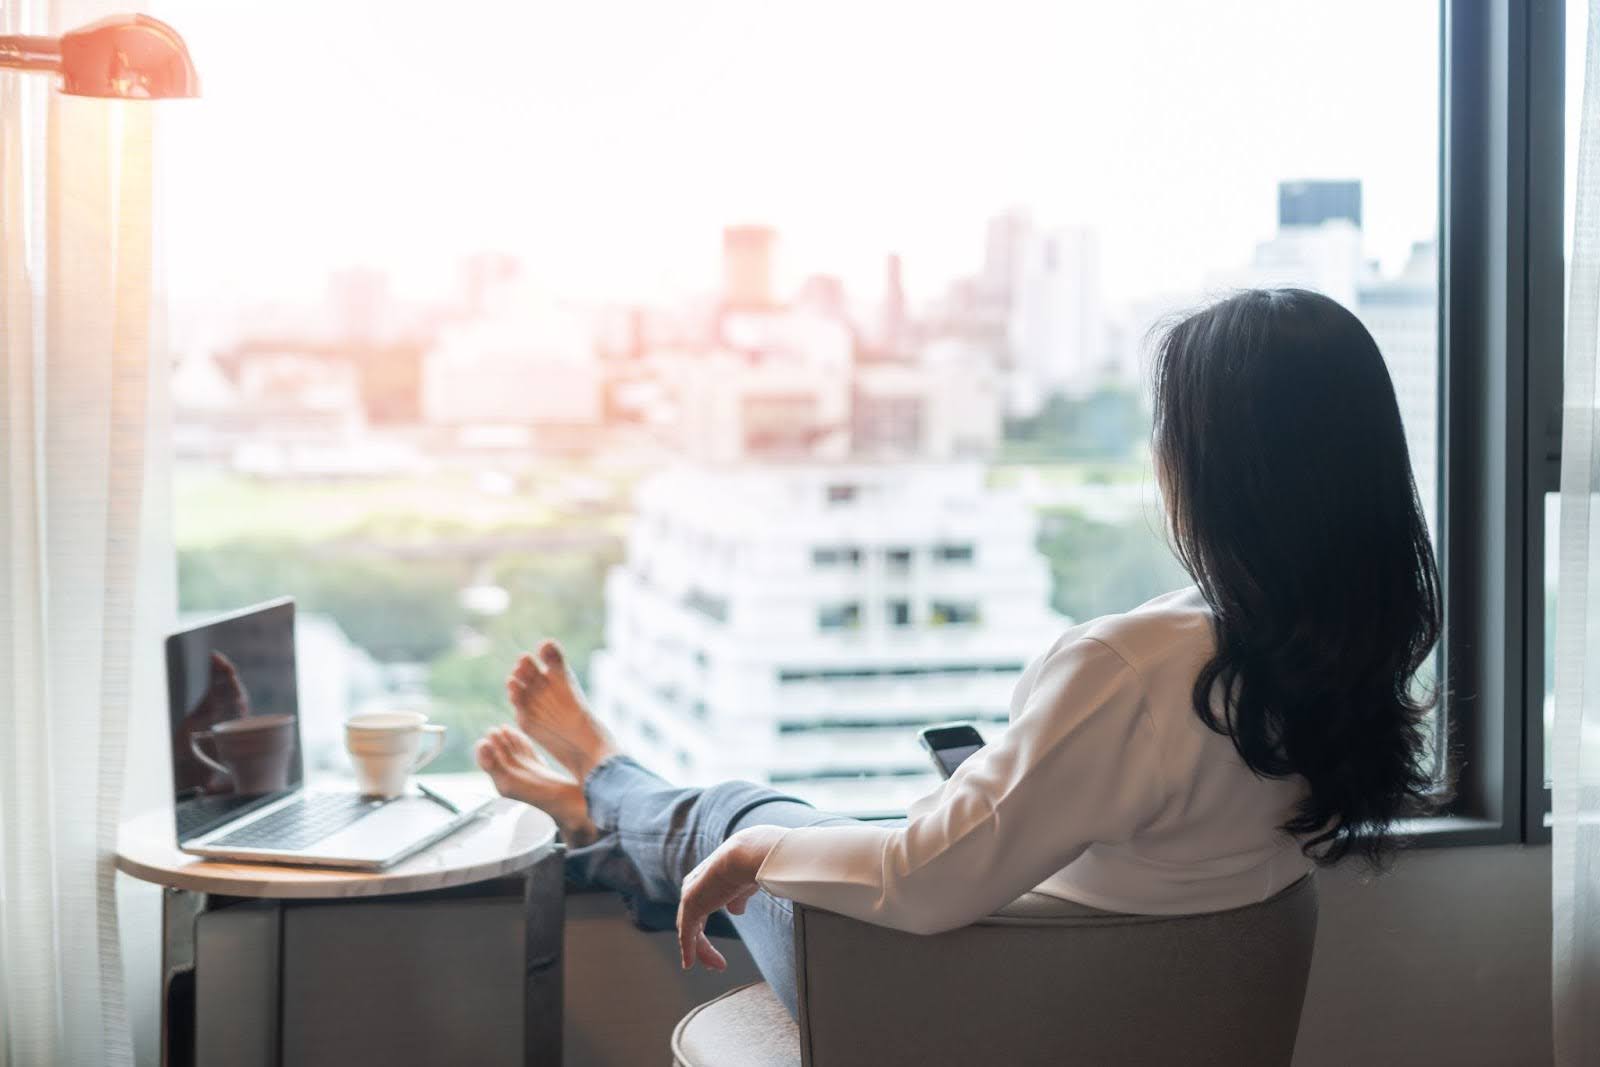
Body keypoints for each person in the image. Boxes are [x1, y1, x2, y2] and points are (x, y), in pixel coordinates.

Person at [475, 287, 1443, 1018]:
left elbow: (920, 881)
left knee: (738, 814)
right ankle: (607, 819)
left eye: (1169, 435)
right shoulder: (1343, 645)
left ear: (1218, 469)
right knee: (782, 828)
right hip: (1104, 986)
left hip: (958, 987)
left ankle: (601, 778)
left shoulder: (1138, 668)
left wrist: (765, 850)